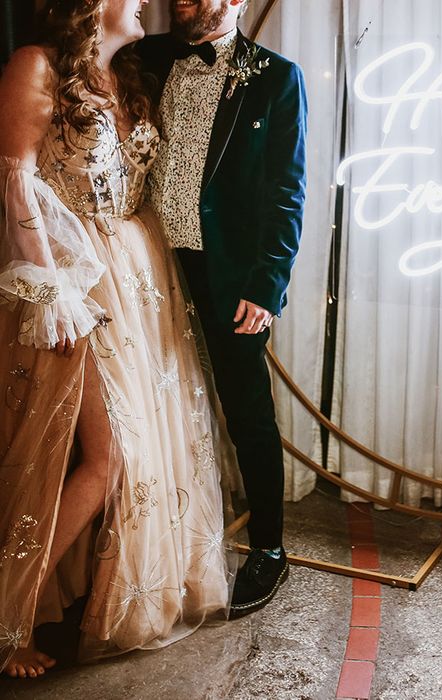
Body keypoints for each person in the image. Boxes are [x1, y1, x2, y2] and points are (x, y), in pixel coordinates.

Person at [0, 0, 236, 679]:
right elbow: (15, 175)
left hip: (144, 276)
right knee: (113, 456)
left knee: (143, 449)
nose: (145, 3)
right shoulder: (35, 65)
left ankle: (46, 594)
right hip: (77, 279)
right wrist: (52, 294)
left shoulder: (128, 73)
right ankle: (11, 616)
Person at [137, 0, 307, 616]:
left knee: (247, 412)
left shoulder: (276, 77)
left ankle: (270, 550)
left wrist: (268, 286)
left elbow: (287, 191)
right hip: (148, 265)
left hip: (229, 273)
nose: (182, 1)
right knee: (151, 403)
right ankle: (161, 544)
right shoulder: (146, 58)